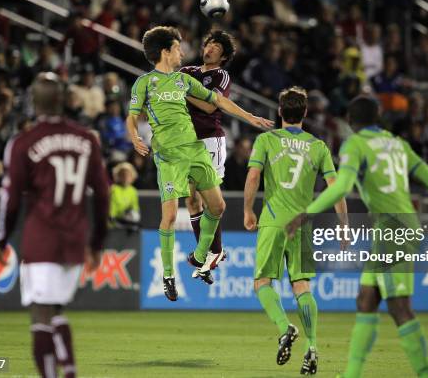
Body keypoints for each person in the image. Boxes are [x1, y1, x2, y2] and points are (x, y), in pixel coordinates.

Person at [286, 96, 428, 378]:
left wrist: (307, 213)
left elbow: (343, 186)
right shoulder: (398, 144)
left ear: (350, 119)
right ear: (377, 117)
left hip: (393, 227)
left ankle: (426, 374)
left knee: (399, 307)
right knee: (366, 299)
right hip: (396, 225)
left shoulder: (355, 144)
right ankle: (351, 374)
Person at [126, 26, 273, 301]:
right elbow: (133, 115)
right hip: (170, 155)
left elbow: (215, 102)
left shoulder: (193, 79)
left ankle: (205, 252)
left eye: (215, 46)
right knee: (178, 212)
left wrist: (251, 117)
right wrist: (135, 136)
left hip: (202, 146)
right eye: (178, 47)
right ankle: (172, 273)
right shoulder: (154, 80)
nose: (186, 50)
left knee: (216, 205)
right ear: (166, 51)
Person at [0, 72, 110, 378]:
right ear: (63, 101)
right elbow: (103, 195)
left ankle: (58, 373)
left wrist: (2, 238)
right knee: (57, 309)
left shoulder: (23, 142)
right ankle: (68, 368)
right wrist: (97, 243)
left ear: (33, 102)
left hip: (41, 236)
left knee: (40, 315)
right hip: (74, 238)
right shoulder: (87, 140)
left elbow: (12, 199)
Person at [243, 87, 347, 375]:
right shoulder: (319, 147)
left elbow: (253, 176)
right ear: (305, 113)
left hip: (274, 219)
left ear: (279, 112)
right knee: (302, 286)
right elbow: (336, 189)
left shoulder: (266, 139)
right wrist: (344, 226)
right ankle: (312, 346)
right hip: (302, 224)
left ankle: (284, 327)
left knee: (262, 283)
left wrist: (248, 210)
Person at [180, 30, 236, 268]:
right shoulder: (187, 72)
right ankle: (210, 252)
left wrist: (183, 90)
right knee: (191, 201)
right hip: (186, 143)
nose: (210, 48)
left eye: (216, 46)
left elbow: (210, 106)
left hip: (209, 141)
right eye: (208, 43)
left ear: (223, 56)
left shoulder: (220, 75)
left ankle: (214, 250)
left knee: (210, 201)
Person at [109, 162, 141, 232]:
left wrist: (130, 219)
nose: (125, 177)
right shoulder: (113, 189)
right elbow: (111, 210)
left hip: (126, 224)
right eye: (123, 174)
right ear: (118, 176)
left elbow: (135, 209)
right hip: (113, 224)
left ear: (132, 177)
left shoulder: (133, 191)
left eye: (128, 174)